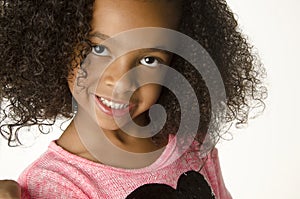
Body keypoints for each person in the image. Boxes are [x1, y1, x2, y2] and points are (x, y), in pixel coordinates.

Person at [0, 0, 266, 198]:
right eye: (99, 49)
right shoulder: (55, 184)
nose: (121, 81)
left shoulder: (189, 144)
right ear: (56, 45)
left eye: (149, 60)